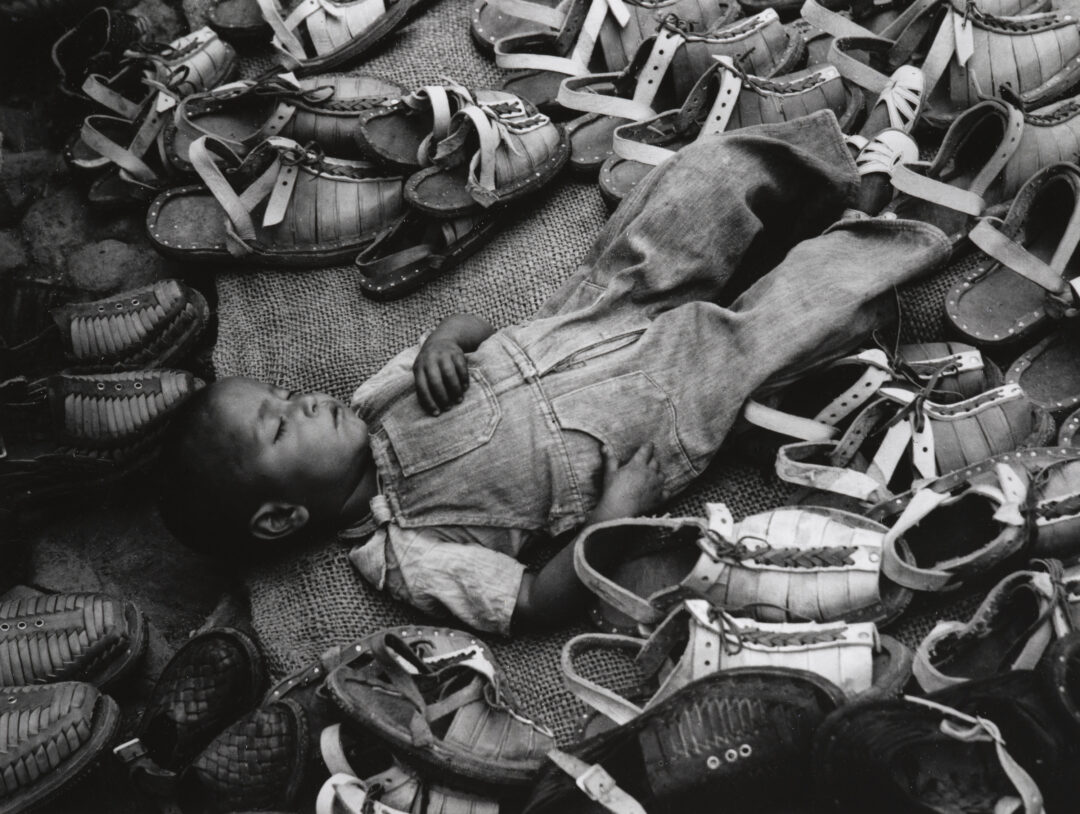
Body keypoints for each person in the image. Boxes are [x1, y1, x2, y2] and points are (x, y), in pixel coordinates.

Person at [159, 108, 951, 636]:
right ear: (279, 519)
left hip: (591, 310)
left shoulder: (373, 401)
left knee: (690, 189)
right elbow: (533, 603)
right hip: (650, 411)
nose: (303, 400)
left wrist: (444, 338)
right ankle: (883, 224)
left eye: (284, 393)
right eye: (281, 422)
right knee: (781, 325)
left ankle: (824, 174)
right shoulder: (405, 558)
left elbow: (480, 332)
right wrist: (613, 521)